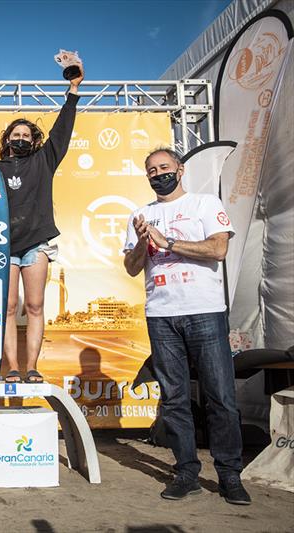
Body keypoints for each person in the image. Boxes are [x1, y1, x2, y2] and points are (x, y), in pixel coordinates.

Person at [123, 147, 250, 505]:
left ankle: (229, 476)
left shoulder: (205, 204)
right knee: (174, 399)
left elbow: (217, 250)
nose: (158, 173)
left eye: (164, 167)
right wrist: (144, 243)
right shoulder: (140, 214)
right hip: (161, 315)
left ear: (180, 170)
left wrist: (169, 242)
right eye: (151, 170)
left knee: (221, 397)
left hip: (205, 311)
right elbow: (132, 267)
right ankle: (186, 472)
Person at [0, 66, 83, 383]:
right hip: (3, 245)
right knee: (7, 307)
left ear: (34, 140)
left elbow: (62, 130)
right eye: (15, 136)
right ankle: (12, 368)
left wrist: (73, 91)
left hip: (36, 243)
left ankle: (32, 367)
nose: (20, 139)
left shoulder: (44, 159)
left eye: (26, 135)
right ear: (7, 140)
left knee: (35, 305)